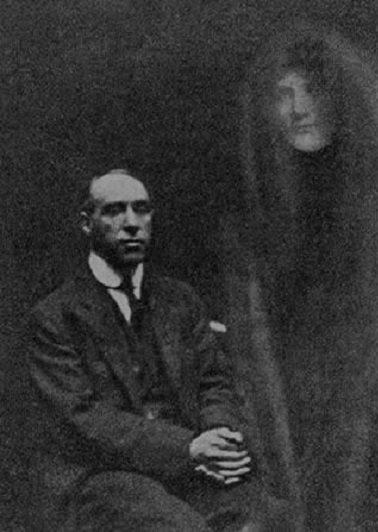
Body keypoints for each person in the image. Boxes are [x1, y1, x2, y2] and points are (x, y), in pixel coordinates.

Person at [228, 23, 378, 530]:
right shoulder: (263, 220)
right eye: (284, 94)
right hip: (292, 410)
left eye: (314, 90)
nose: (299, 108)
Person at [23, 169, 255, 532]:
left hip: (194, 468)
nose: (132, 223)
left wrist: (219, 435)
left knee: (270, 516)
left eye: (141, 209)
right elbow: (82, 419)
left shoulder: (181, 300)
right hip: (104, 479)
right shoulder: (54, 318)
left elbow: (214, 382)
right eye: (114, 210)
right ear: (86, 223)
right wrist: (186, 448)